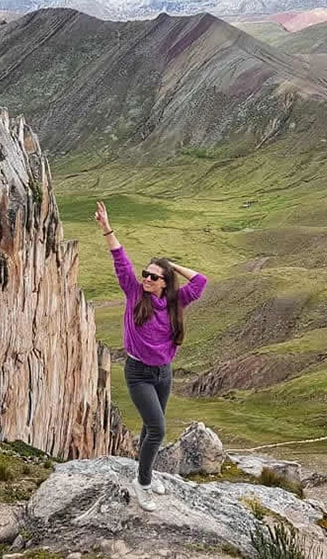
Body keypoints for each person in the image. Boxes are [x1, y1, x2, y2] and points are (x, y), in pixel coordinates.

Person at [94, 200, 207, 512]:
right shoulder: (134, 294)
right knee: (157, 429)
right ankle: (142, 483)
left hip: (163, 373)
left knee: (148, 429)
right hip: (139, 372)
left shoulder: (175, 302)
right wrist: (107, 228)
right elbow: (120, 259)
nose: (146, 278)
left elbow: (200, 281)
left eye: (154, 276)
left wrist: (172, 266)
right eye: (146, 273)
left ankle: (145, 472)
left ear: (165, 282)